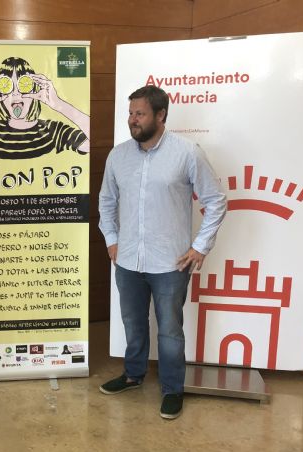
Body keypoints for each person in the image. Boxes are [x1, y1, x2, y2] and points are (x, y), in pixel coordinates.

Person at [98, 85, 227, 420]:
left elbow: (216, 201)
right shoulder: (118, 156)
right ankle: (133, 375)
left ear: (160, 115)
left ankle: (172, 389)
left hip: (170, 263)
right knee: (133, 322)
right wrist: (111, 239)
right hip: (128, 260)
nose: (132, 120)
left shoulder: (187, 153)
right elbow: (106, 201)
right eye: (131, 113)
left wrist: (200, 246)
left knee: (170, 330)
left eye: (140, 114)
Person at [0, 56, 89, 160]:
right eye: (7, 86)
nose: (15, 93)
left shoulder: (54, 132)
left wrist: (59, 104)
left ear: (35, 89)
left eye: (23, 85)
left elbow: (90, 144)